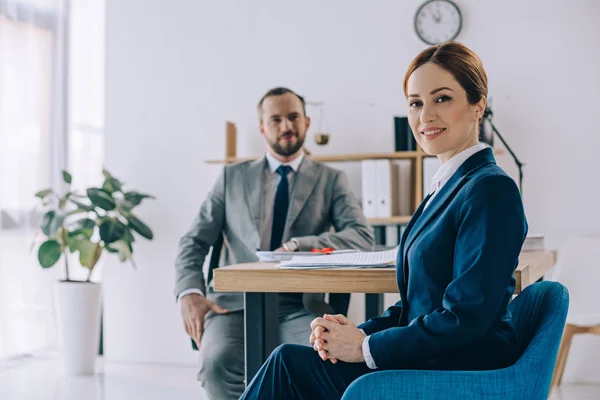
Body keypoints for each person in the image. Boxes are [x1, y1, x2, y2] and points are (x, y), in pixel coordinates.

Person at [239, 41, 529, 399]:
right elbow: (416, 305)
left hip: (455, 368)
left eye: (442, 99)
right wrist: (355, 334)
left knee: (288, 365)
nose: (425, 116)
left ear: (477, 105)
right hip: (430, 354)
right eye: (415, 103)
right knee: (293, 362)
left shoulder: (490, 190)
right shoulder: (446, 188)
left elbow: (465, 318)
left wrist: (364, 348)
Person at [174, 87, 375, 400]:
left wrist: (298, 245)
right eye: (276, 119)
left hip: (296, 306)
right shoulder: (231, 178)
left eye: (293, 117)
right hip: (232, 306)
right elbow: (193, 241)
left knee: (318, 361)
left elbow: (361, 236)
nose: (286, 126)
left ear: (307, 122)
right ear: (262, 127)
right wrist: (189, 292)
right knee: (216, 364)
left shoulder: (330, 179)